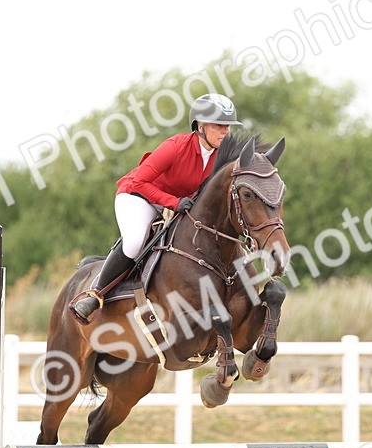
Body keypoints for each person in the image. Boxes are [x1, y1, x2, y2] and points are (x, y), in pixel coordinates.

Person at [69, 93, 242, 323]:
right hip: (137, 196)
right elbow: (140, 181)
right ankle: (95, 294)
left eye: (227, 126)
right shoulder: (175, 147)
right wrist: (174, 203)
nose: (225, 131)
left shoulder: (219, 158)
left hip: (174, 204)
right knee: (135, 242)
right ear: (200, 126)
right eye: (219, 125)